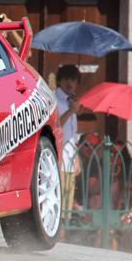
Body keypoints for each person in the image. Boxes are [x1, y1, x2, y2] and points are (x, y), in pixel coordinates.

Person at [55, 64, 81, 228]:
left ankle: (65, 231)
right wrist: (71, 111)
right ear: (59, 80)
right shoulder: (55, 100)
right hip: (59, 157)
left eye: (73, 79)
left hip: (70, 158)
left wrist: (76, 157)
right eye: (66, 79)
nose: (69, 83)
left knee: (68, 202)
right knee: (60, 200)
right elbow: (56, 125)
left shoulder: (72, 101)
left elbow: (73, 135)